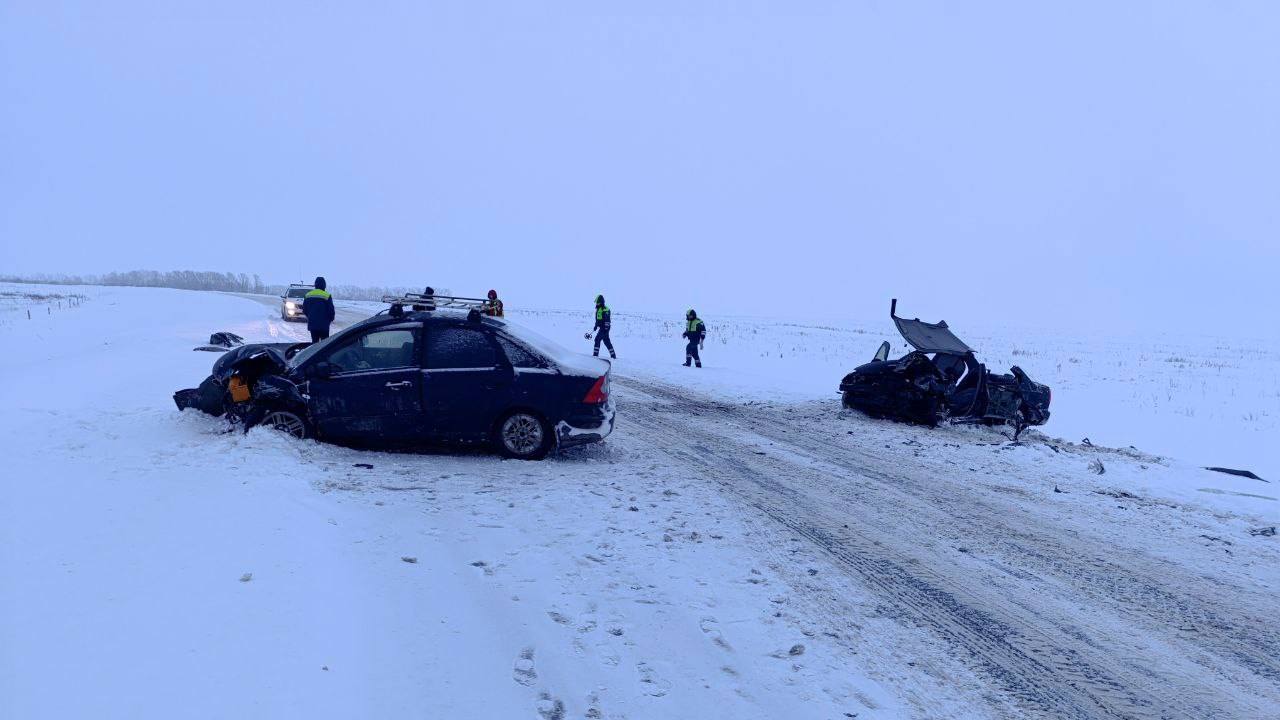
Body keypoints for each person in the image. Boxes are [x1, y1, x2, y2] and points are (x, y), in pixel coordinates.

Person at [302, 276, 336, 343]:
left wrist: (310, 317)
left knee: (314, 344)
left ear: (315, 284)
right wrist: (330, 319)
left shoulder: (308, 295)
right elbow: (331, 311)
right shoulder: (327, 295)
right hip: (324, 325)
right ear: (324, 285)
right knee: (324, 344)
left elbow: (305, 310)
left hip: (312, 324)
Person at [590, 294, 616, 359]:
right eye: (596, 302)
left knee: (597, 339)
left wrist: (605, 329)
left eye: (598, 302)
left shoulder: (606, 309)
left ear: (601, 302)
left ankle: (595, 356)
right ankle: (613, 356)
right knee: (606, 341)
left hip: (605, 328)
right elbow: (598, 319)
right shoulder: (598, 309)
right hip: (602, 328)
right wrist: (596, 326)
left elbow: (607, 320)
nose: (597, 303)